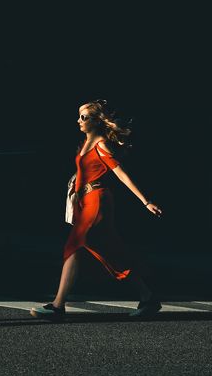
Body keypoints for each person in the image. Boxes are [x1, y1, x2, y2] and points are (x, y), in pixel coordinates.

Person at [31, 99, 164, 319]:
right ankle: (147, 296)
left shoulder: (101, 144)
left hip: (98, 200)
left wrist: (145, 201)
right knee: (106, 252)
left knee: (76, 244)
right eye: (79, 116)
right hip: (86, 202)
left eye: (84, 117)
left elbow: (120, 173)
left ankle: (57, 306)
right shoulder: (85, 142)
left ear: (96, 121)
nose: (79, 121)